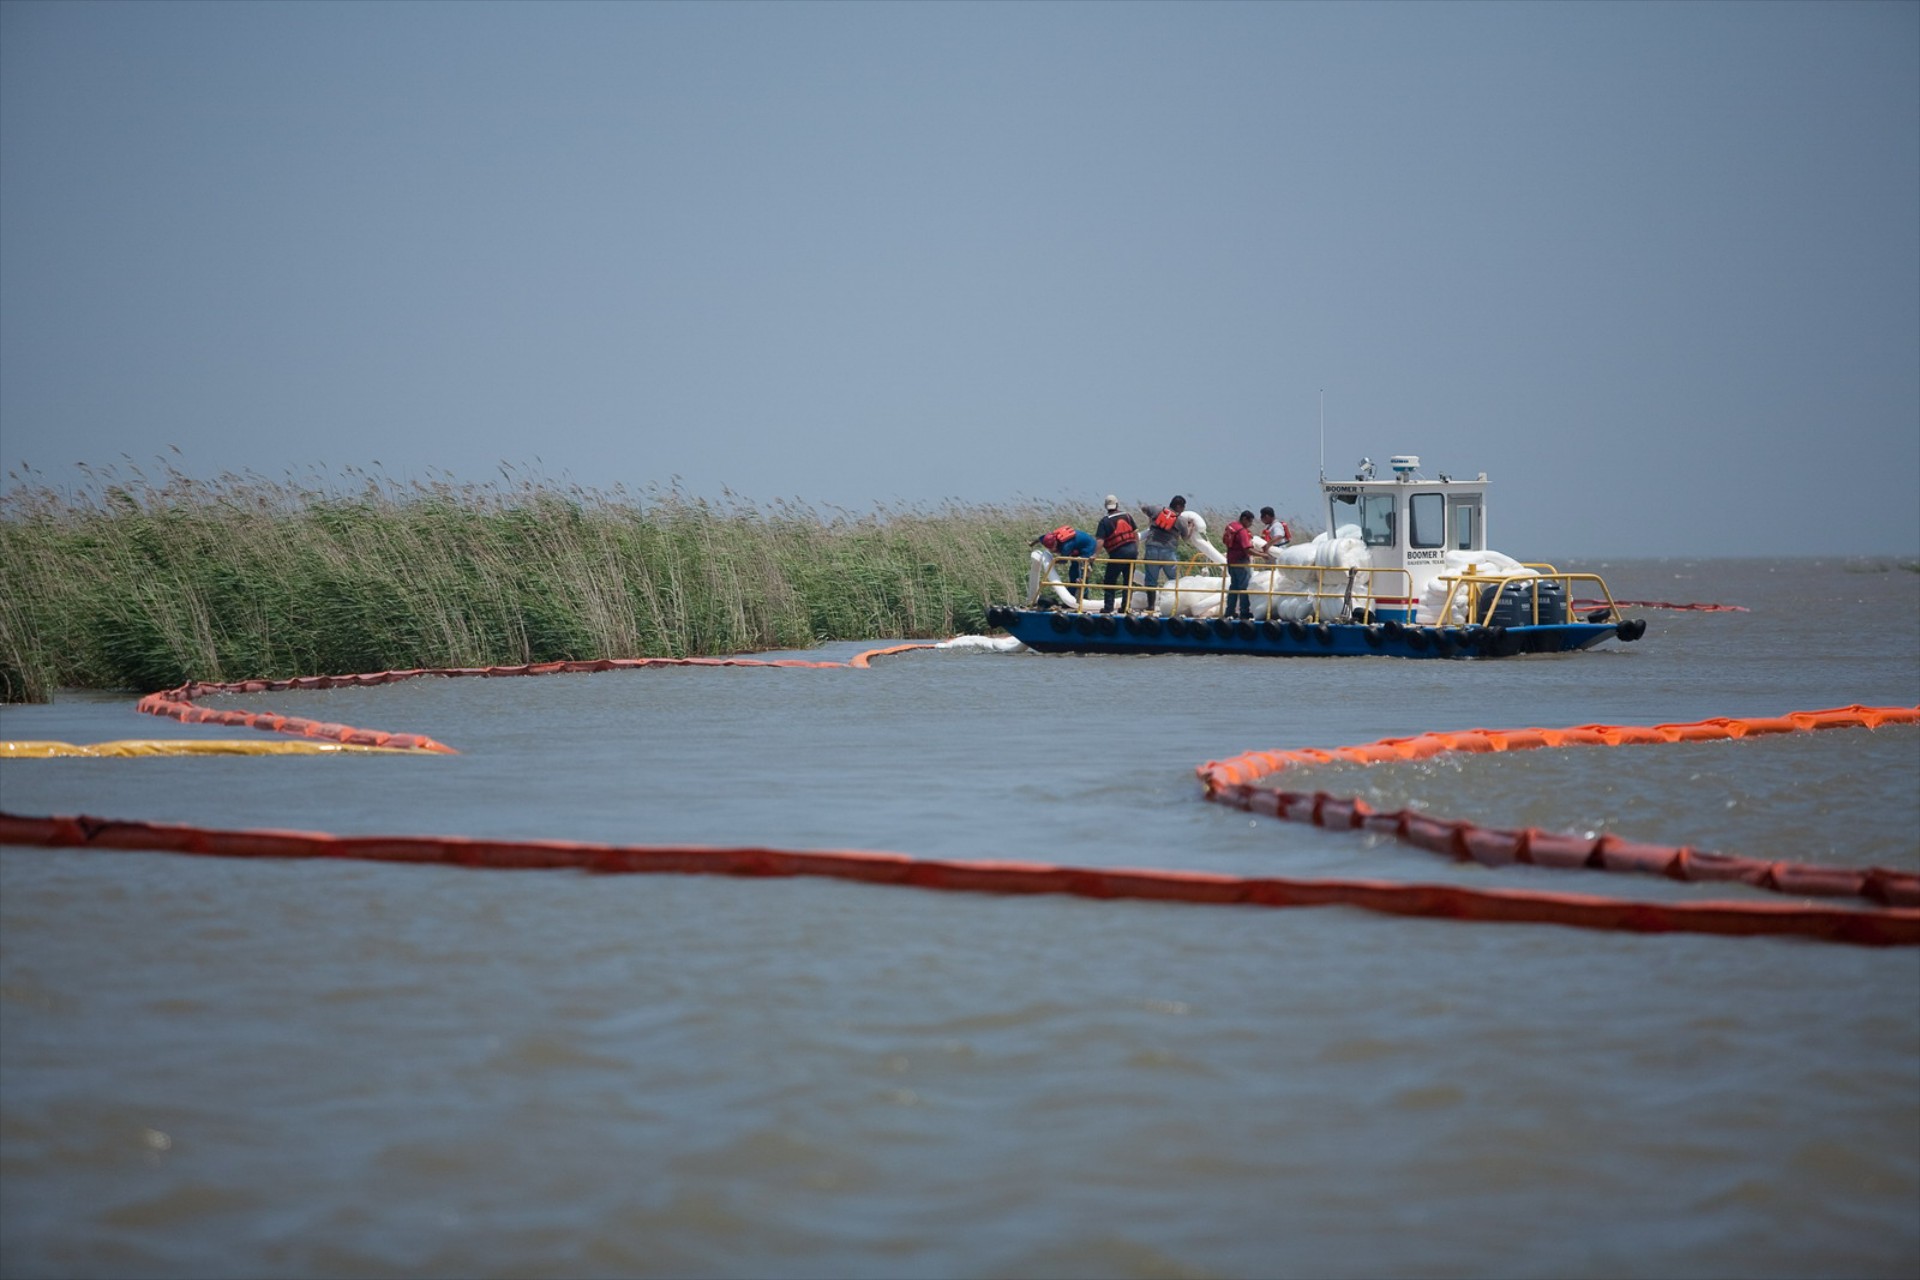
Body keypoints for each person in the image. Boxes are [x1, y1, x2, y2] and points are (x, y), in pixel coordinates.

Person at [1138, 495, 1188, 612]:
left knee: (1151, 579)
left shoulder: (1157, 509)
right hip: (1168, 551)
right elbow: (1186, 538)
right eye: (1183, 507)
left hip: (1152, 549)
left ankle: (1151, 606)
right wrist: (1190, 527)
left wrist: (1150, 518)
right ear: (1179, 506)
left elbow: (1143, 507)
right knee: (1174, 579)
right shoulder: (1180, 520)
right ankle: (1176, 605)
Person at [1093, 495, 1139, 613]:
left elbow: (1100, 541)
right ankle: (1125, 607)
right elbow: (1135, 534)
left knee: (1110, 580)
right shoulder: (1128, 516)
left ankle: (1108, 608)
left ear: (1106, 507)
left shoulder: (1105, 521)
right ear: (1117, 504)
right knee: (1128, 581)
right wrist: (1136, 549)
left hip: (1118, 553)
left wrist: (1095, 555)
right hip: (1132, 551)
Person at [1032, 523, 1098, 589]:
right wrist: (1031, 544)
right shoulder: (1047, 538)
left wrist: (1052, 561)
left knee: (1081, 572)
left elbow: (1064, 561)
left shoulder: (1066, 546)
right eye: (1049, 548)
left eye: (1052, 547)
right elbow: (1039, 539)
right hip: (1077, 548)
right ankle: (1073, 591)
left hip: (1087, 547)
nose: (1052, 550)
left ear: (1055, 542)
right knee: (1073, 572)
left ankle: (1082, 595)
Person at [1224, 509, 1256, 619]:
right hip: (1240, 562)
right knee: (1244, 587)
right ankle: (1244, 611)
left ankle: (1229, 611)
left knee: (1234, 586)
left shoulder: (1231, 526)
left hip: (1231, 561)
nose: (1250, 525)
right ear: (1244, 519)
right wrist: (1263, 555)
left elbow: (1225, 541)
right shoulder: (1242, 531)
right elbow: (1247, 549)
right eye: (1250, 522)